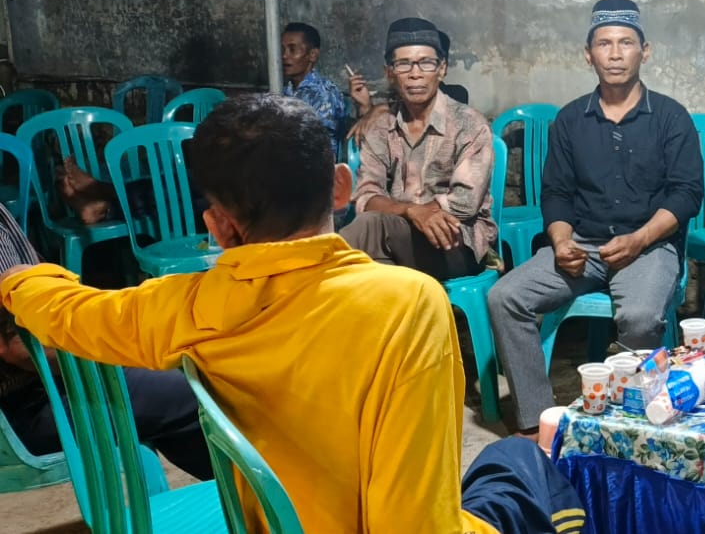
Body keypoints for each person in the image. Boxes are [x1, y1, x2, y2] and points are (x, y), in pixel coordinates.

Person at [1, 95, 585, 534]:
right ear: (341, 187)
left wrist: (18, 277)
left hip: (277, 519)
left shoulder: (184, 305)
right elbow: (413, 522)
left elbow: (68, 311)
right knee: (521, 459)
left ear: (217, 226)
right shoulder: (407, 305)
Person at [487, 0, 703, 437]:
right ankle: (537, 423)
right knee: (505, 296)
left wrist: (639, 240)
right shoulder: (570, 120)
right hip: (583, 246)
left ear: (645, 51)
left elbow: (687, 195)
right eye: (604, 44)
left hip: (648, 245)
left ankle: (628, 425)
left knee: (640, 317)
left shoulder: (670, 117)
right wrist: (561, 242)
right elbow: (557, 193)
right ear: (588, 55)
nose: (616, 54)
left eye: (626, 42)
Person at [0, 205, 212, 482]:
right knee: (195, 393)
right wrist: (117, 350)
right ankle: (251, 500)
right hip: (25, 409)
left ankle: (232, 495)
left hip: (41, 382)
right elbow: (19, 349)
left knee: (169, 385)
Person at [340, 17, 498, 283]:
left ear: (442, 69)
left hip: (455, 242)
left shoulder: (469, 125)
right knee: (375, 266)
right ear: (389, 72)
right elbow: (367, 197)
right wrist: (411, 212)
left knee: (367, 236)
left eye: (426, 63)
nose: (415, 73)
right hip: (394, 238)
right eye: (403, 64)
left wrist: (409, 213)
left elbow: (464, 203)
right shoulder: (381, 128)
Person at [281, 21, 348, 153]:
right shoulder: (284, 90)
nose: (284, 56)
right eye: (282, 50)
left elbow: (317, 145)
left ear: (312, 55)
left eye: (292, 49)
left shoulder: (325, 95)